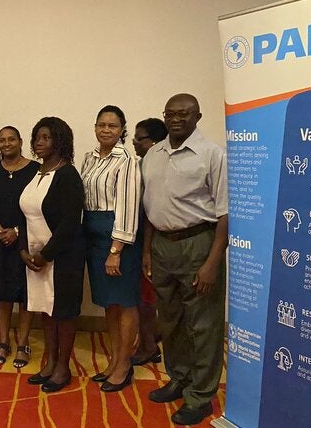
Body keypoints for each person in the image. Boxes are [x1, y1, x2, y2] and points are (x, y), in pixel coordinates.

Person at [141, 94, 228, 426]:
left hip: (198, 244)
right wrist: (147, 250)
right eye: (171, 114)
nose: (176, 119)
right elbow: (150, 207)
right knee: (170, 319)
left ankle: (200, 396)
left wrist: (212, 262)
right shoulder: (153, 155)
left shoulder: (212, 154)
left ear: (198, 116)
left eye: (184, 114)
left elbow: (225, 213)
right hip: (162, 245)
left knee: (203, 324)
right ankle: (178, 378)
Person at [18, 117, 84, 393]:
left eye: (46, 137)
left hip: (62, 258)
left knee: (63, 312)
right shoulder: (37, 173)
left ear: (60, 141)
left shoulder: (68, 175)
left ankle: (63, 368)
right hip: (36, 258)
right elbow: (24, 215)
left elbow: (70, 222)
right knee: (46, 309)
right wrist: (24, 250)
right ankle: (51, 362)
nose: (39, 142)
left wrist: (46, 254)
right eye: (37, 137)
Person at [80, 106, 141, 392]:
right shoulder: (89, 158)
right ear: (95, 127)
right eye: (101, 124)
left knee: (124, 301)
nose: (106, 130)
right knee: (109, 302)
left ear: (122, 130)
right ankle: (115, 359)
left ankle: (124, 364)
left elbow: (128, 207)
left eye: (113, 126)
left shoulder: (127, 161)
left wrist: (116, 250)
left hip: (117, 238)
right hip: (93, 236)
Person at [0, 126, 39, 368]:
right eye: (2, 140)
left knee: (25, 293)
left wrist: (17, 231)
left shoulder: (35, 171)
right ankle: (3, 342)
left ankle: (23, 343)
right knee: (2, 293)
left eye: (12, 139)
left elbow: (39, 208)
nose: (7, 143)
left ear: (20, 142)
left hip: (26, 240)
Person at [130, 117, 168, 366]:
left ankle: (148, 347)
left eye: (139, 138)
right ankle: (150, 338)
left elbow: (152, 212)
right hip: (141, 239)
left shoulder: (157, 168)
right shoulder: (142, 164)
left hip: (151, 241)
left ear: (154, 142)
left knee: (145, 300)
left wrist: (146, 251)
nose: (134, 142)